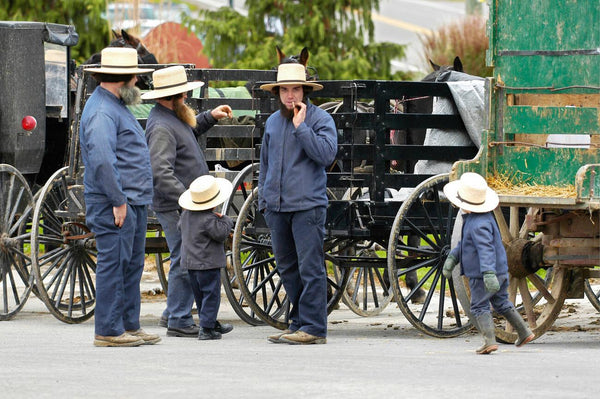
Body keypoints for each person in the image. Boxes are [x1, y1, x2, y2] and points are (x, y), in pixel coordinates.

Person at [141, 65, 233, 338]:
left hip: (185, 203)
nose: (186, 97)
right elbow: (160, 172)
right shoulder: (161, 126)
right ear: (175, 95)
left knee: (185, 255)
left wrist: (210, 116)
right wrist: (187, 201)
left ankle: (173, 312)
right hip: (177, 205)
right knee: (186, 257)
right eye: (184, 93)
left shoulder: (173, 116)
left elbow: (191, 129)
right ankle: (180, 319)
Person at [80, 47, 160, 347]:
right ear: (122, 79)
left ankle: (128, 324)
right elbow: (102, 159)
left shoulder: (114, 104)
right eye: (135, 76)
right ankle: (109, 330)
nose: (138, 80)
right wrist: (117, 199)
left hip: (130, 200)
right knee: (114, 262)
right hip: (114, 202)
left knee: (131, 264)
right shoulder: (103, 110)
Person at [258, 63, 337, 345]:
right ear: (278, 92)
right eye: (285, 89)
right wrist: (263, 201)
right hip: (277, 208)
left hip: (307, 207)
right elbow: (264, 165)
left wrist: (301, 129)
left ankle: (315, 327)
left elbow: (327, 155)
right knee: (287, 267)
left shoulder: (321, 119)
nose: (290, 95)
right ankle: (298, 323)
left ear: (305, 90)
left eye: (295, 89)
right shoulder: (271, 123)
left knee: (310, 267)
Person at [442, 172, 534, 354]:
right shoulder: (482, 218)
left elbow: (485, 250)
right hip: (499, 272)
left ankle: (489, 341)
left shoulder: (476, 224)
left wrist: (488, 273)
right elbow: (464, 245)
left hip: (482, 275)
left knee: (479, 306)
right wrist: (452, 258)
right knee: (501, 302)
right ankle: (524, 331)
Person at [178, 175, 235, 340]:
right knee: (212, 296)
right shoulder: (209, 219)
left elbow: (179, 227)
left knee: (200, 296)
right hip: (208, 264)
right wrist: (225, 219)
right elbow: (221, 234)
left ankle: (209, 322)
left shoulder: (185, 216)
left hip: (191, 264)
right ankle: (206, 329)